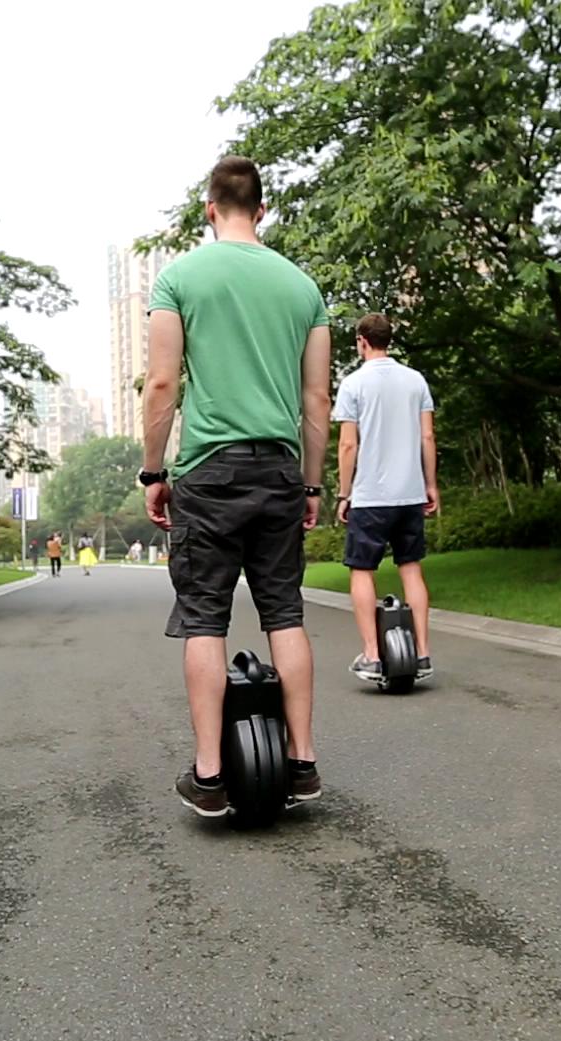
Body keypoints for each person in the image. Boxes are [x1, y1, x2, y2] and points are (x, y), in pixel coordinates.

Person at [141, 155, 332, 818]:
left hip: (209, 472)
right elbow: (316, 400)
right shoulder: (302, 287)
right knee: (285, 612)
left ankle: (210, 776)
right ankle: (303, 764)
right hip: (279, 471)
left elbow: (162, 384)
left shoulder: (180, 278)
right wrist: (311, 486)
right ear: (262, 208)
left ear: (209, 209)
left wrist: (154, 471)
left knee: (204, 617)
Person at [334, 313, 439, 683]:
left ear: (362, 341)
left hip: (370, 497)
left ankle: (372, 656)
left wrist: (344, 493)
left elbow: (348, 445)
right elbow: (428, 437)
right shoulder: (415, 380)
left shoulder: (353, 384)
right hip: (410, 494)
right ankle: (423, 654)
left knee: (362, 571)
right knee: (411, 568)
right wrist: (430, 484)